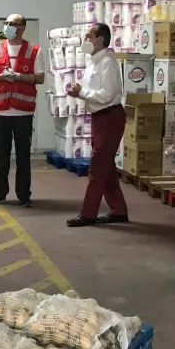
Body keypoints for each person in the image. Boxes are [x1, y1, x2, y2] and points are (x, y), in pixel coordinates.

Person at [65, 24, 128, 227]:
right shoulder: (93, 62)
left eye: (88, 37)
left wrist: (81, 93)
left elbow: (106, 95)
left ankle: (88, 213)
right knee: (106, 167)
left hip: (109, 117)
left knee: (97, 168)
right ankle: (119, 211)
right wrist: (78, 90)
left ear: (100, 39)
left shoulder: (108, 63)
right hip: (99, 117)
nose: (85, 41)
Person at [0, 14, 45, 208]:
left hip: (23, 114)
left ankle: (24, 195)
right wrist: (1, 76)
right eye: (7, 23)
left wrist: (18, 76)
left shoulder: (34, 50)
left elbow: (40, 78)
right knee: (2, 157)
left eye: (13, 24)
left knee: (23, 157)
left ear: (23, 27)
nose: (9, 26)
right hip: (1, 113)